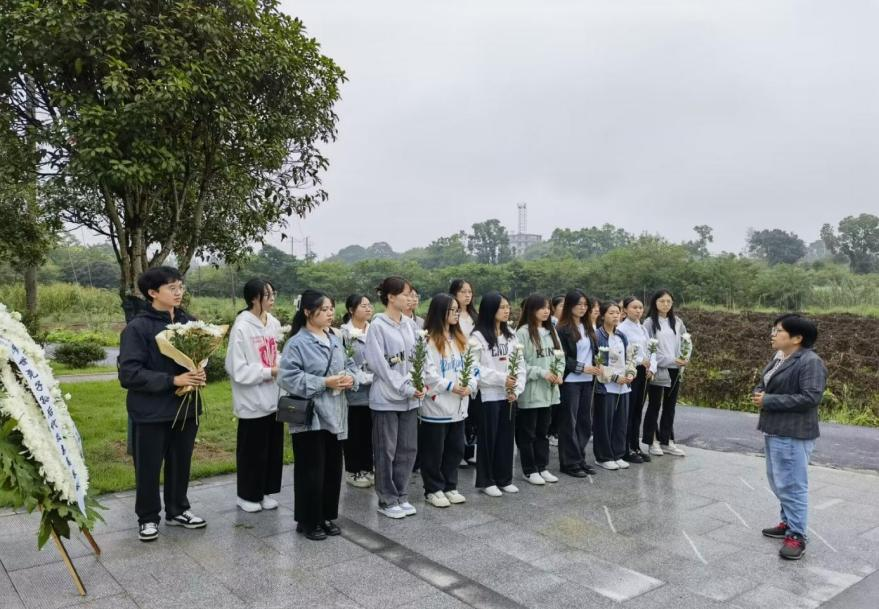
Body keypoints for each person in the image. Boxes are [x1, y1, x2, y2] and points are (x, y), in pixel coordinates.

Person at [119, 267, 207, 542]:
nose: (179, 292)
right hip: (151, 411)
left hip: (185, 407)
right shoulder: (138, 328)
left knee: (181, 462)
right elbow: (129, 374)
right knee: (148, 467)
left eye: (180, 286)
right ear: (153, 293)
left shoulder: (189, 322)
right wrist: (173, 380)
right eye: (172, 288)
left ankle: (177, 509)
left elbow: (198, 355)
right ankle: (147, 517)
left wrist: (199, 371)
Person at [277, 290, 358, 541]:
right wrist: (324, 382)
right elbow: (287, 378)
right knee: (311, 470)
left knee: (332, 468)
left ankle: (325, 515)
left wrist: (350, 378)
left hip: (335, 413)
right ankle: (308, 520)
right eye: (324, 309)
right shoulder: (297, 343)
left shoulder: (335, 338)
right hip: (310, 416)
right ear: (307, 312)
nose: (330, 313)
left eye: (331, 308)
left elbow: (350, 366)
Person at [752, 314, 827, 561]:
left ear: (797, 338)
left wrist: (769, 400)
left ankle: (797, 535)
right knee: (778, 481)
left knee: (792, 485)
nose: (773, 335)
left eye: (778, 331)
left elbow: (811, 397)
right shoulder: (780, 357)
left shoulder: (810, 361)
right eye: (773, 330)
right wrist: (760, 393)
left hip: (794, 432)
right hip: (775, 428)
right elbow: (766, 384)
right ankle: (787, 522)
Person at [364, 276, 426, 519]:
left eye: (411, 294)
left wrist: (421, 382)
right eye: (406, 294)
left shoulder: (410, 325)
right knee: (385, 450)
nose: (410, 298)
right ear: (390, 297)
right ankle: (387, 499)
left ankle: (401, 494)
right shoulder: (377, 326)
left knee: (407, 449)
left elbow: (420, 358)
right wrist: (406, 386)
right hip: (387, 400)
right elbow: (379, 365)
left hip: (410, 399)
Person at [225, 278, 284, 513]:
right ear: (253, 298)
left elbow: (276, 353)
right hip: (252, 398)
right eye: (267, 295)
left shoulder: (273, 323)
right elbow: (235, 367)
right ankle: (247, 495)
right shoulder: (242, 326)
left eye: (273, 293)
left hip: (273, 396)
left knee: (272, 449)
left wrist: (280, 366)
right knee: (252, 451)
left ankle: (265, 491)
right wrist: (268, 371)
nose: (272, 298)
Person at [419, 294, 479, 507]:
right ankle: (433, 489)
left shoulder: (460, 339)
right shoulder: (427, 341)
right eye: (451, 310)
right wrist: (451, 386)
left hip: (459, 405)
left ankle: (450, 486)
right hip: (437, 407)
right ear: (439, 312)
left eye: (457, 310)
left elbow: (474, 367)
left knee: (455, 449)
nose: (456, 314)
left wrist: (470, 385)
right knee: (434, 451)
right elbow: (428, 374)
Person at [472, 292, 526, 497]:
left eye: (507, 307)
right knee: (489, 439)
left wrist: (517, 388)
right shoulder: (477, 337)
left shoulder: (510, 334)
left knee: (506, 438)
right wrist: (501, 378)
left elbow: (520, 364)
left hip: (508, 394)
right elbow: (474, 369)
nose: (507, 310)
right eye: (502, 307)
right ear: (490, 309)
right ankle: (487, 480)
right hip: (488, 395)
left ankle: (504, 478)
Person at [515, 294, 562, 486]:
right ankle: (529, 470)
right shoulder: (522, 333)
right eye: (541, 307)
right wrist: (542, 373)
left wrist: (558, 373)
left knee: (543, 432)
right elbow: (519, 364)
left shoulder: (552, 331)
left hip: (549, 392)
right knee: (528, 433)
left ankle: (542, 467)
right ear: (531, 309)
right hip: (531, 392)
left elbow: (560, 356)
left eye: (548, 307)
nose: (546, 311)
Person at [555, 291, 601, 477]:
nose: (582, 308)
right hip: (571, 382)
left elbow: (593, 352)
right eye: (579, 304)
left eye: (585, 305)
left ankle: (579, 459)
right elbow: (562, 357)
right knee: (569, 423)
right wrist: (582, 367)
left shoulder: (588, 327)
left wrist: (598, 364)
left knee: (584, 423)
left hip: (587, 381)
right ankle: (569, 463)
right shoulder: (562, 329)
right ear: (570, 305)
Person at [642, 289, 689, 457]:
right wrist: (670, 360)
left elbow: (686, 342)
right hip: (658, 369)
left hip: (675, 369)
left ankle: (667, 441)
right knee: (655, 405)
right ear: (655, 303)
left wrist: (684, 358)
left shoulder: (677, 322)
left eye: (669, 301)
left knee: (670, 407)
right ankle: (652, 441)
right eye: (662, 301)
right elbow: (648, 348)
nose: (665, 304)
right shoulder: (649, 323)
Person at [593, 301, 633, 470]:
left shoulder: (621, 336)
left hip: (623, 387)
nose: (616, 316)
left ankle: (618, 454)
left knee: (621, 422)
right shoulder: (597, 335)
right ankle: (603, 457)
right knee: (604, 422)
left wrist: (630, 373)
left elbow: (629, 358)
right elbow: (598, 362)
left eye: (617, 312)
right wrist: (615, 377)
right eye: (611, 313)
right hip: (606, 386)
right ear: (603, 315)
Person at [340, 294, 375, 488]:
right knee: (354, 433)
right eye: (363, 306)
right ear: (351, 310)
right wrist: (367, 378)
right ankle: (353, 471)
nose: (368, 308)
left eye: (369, 305)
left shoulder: (374, 330)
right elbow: (345, 363)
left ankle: (368, 468)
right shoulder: (343, 334)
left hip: (374, 393)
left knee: (369, 433)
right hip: (353, 393)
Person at [617, 296, 657, 464]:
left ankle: (635, 445)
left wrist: (652, 368)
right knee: (629, 411)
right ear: (625, 310)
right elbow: (623, 352)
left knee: (638, 410)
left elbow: (651, 349)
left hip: (644, 373)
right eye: (634, 307)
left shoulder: (642, 328)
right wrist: (641, 361)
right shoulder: (622, 328)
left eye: (640, 307)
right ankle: (625, 448)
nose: (638, 310)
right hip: (631, 372)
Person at [450, 278, 479, 466]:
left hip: (474, 363)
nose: (467, 295)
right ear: (454, 294)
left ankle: (471, 450)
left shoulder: (476, 316)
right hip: (456, 364)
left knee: (473, 413)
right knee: (458, 410)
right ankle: (458, 451)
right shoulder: (452, 316)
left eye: (469, 292)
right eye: (463, 292)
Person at [547, 295, 566, 446]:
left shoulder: (565, 323)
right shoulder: (552, 324)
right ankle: (550, 432)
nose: (565, 309)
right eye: (561, 306)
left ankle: (554, 432)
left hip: (559, 370)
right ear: (553, 308)